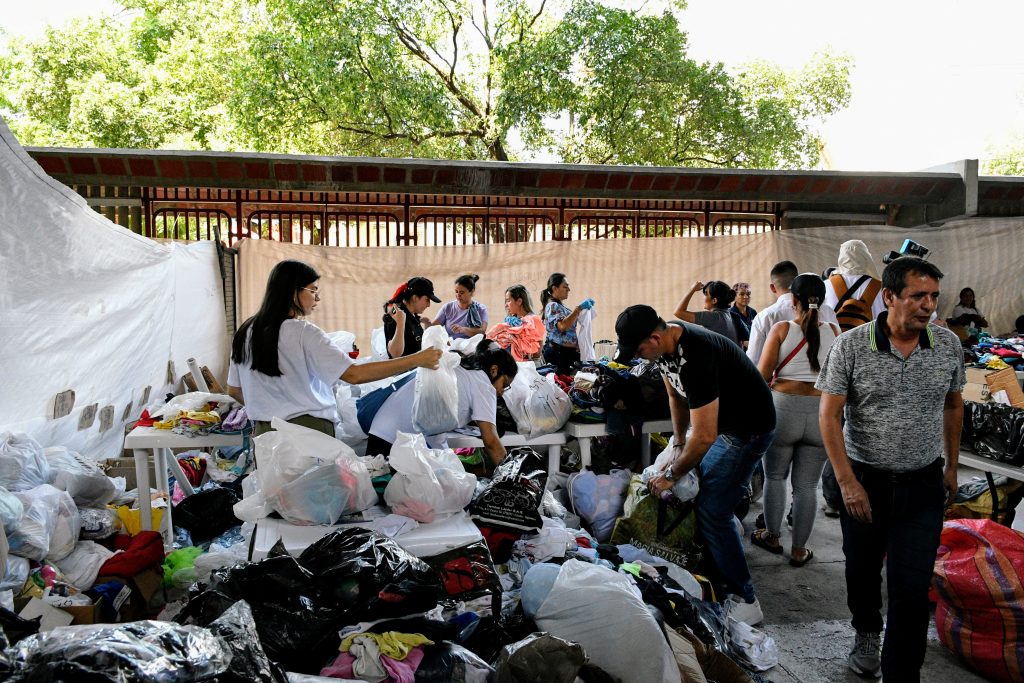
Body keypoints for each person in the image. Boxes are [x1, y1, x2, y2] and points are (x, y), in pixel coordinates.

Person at [816, 256, 964, 681]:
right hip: (865, 481)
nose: (928, 306)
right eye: (918, 296)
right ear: (889, 297)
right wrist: (846, 482)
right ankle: (866, 631)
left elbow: (954, 404)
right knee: (861, 571)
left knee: (912, 587)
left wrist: (951, 467)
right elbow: (829, 416)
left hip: (922, 484)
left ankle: (903, 673)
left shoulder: (947, 345)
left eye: (933, 297)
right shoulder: (852, 346)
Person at [614, 304, 776, 626]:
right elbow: (676, 397)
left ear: (655, 337)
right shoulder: (665, 350)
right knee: (711, 497)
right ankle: (726, 539)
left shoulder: (696, 356)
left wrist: (671, 475)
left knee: (712, 509)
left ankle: (745, 598)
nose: (639, 356)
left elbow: (704, 438)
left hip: (747, 429)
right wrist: (676, 443)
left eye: (640, 349)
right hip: (723, 426)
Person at [227, 260, 442, 437]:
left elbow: (234, 390)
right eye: (313, 291)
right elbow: (354, 374)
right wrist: (417, 359)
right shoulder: (303, 332)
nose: (317, 298)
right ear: (293, 292)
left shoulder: (245, 332)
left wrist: (272, 408)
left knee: (273, 490)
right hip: (308, 433)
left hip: (264, 433)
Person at [752, 274, 841, 567]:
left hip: (783, 410)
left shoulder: (781, 329)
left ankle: (773, 536)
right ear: (824, 301)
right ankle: (800, 549)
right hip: (821, 412)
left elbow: (762, 376)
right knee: (806, 486)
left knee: (775, 477)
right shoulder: (833, 330)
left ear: (793, 300)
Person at [365, 339, 519, 466]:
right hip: (398, 441)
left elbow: (434, 425)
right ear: (494, 370)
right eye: (504, 384)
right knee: (404, 499)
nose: (502, 391)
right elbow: (491, 440)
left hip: (381, 429)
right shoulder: (483, 384)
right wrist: (510, 477)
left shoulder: (461, 368)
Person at [747, 261, 839, 365]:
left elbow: (753, 361)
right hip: (824, 378)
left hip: (781, 379)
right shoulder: (827, 311)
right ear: (797, 282)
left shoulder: (764, 317)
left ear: (773, 287)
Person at [823, 239, 885, 332]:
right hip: (870, 342)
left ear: (841, 258)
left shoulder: (826, 285)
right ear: (866, 258)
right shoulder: (880, 288)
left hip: (835, 342)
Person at [540, 273, 593, 374]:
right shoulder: (552, 306)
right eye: (565, 286)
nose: (568, 289)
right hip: (558, 355)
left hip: (567, 354)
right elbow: (562, 326)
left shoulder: (563, 308)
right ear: (554, 288)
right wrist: (578, 310)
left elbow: (570, 330)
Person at [383, 277, 441, 358]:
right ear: (415, 298)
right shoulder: (396, 316)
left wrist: (427, 325)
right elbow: (395, 354)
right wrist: (400, 323)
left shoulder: (412, 315)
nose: (429, 305)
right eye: (427, 299)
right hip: (404, 370)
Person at [487, 284, 545, 361]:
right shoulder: (509, 321)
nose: (506, 305)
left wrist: (519, 346)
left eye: (508, 300)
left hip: (527, 367)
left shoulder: (533, 320)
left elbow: (537, 353)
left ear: (519, 301)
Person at [673, 280, 741, 346]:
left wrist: (692, 289)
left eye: (706, 294)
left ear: (714, 300)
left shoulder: (714, 317)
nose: (703, 297)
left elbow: (678, 312)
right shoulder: (729, 315)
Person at [431, 274, 489, 339]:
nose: (458, 295)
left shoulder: (481, 309)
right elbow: (433, 328)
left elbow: (481, 332)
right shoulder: (447, 308)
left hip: (472, 346)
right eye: (456, 291)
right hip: (450, 346)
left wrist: (463, 329)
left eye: (462, 292)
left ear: (472, 291)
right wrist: (427, 323)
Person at [730, 281, 757, 349]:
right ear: (734, 296)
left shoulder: (753, 312)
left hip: (754, 349)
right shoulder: (730, 314)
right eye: (741, 294)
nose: (746, 297)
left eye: (748, 294)